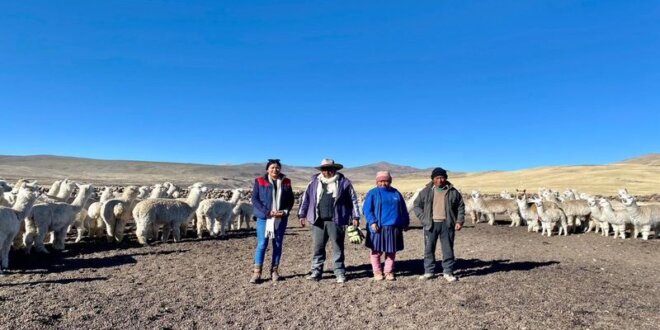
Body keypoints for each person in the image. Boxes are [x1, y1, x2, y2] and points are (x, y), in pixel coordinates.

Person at [298, 159, 361, 283]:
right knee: (318, 248)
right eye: (324, 169)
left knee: (338, 247)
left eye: (330, 169)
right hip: (318, 220)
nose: (327, 171)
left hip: (337, 220)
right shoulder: (314, 182)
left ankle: (339, 272)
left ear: (335, 169)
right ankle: (316, 271)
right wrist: (302, 214)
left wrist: (355, 217)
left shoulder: (344, 183)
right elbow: (306, 199)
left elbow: (353, 200)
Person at [412, 167, 465, 282]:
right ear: (433, 179)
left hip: (447, 224)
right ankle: (429, 271)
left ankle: (448, 271)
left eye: (442, 177)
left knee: (448, 249)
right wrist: (423, 218)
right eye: (437, 178)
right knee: (429, 249)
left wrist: (459, 221)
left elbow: (460, 207)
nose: (440, 180)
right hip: (430, 224)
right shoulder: (426, 191)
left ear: (445, 178)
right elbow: (416, 205)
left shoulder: (453, 192)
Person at [249, 159, 295, 284]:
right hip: (265, 217)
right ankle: (257, 272)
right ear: (267, 169)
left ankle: (274, 270)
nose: (275, 170)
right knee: (262, 244)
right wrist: (267, 212)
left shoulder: (286, 182)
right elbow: (255, 199)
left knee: (278, 244)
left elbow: (290, 200)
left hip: (280, 218)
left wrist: (284, 211)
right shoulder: (260, 181)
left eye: (277, 167)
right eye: (272, 167)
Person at [362, 171, 410, 281]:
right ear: (377, 182)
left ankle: (388, 271)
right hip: (378, 227)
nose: (384, 183)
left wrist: (406, 222)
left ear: (390, 181)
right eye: (381, 181)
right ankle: (377, 272)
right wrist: (372, 222)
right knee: (376, 251)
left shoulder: (396, 193)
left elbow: (403, 209)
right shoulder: (373, 193)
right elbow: (367, 209)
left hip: (394, 227)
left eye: (386, 181)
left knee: (391, 251)